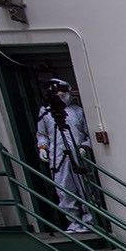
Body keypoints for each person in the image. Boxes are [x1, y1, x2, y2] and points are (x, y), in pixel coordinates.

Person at [35, 77, 93, 233]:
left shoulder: (78, 112)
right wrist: (42, 147)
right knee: (64, 188)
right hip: (58, 155)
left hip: (77, 152)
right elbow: (42, 133)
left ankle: (90, 219)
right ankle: (74, 221)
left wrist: (85, 147)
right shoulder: (46, 113)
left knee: (84, 186)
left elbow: (89, 134)